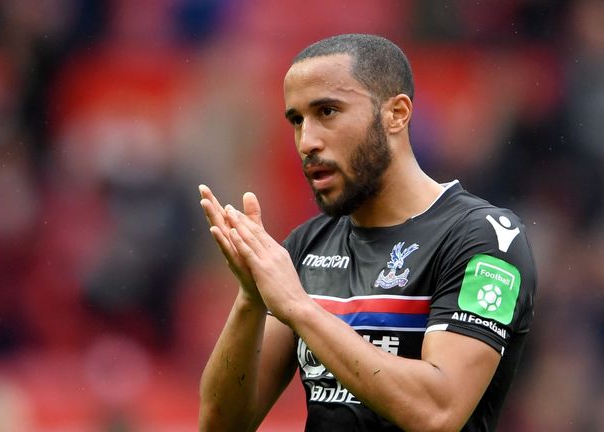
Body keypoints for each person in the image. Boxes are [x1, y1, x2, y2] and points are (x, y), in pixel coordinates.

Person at [197, 34, 536, 432]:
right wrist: (251, 298)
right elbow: (221, 425)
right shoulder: (307, 247)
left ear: (396, 114)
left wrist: (300, 308)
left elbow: (437, 412)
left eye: (327, 111)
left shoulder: (484, 240)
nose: (307, 142)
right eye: (297, 120)